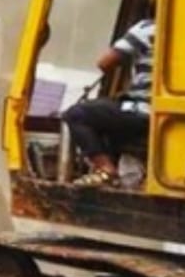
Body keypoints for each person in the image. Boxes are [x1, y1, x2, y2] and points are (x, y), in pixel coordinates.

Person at [60, 12, 156, 187]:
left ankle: (105, 170)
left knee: (76, 114)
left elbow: (105, 63)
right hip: (167, 113)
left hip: (144, 111)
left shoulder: (147, 28)